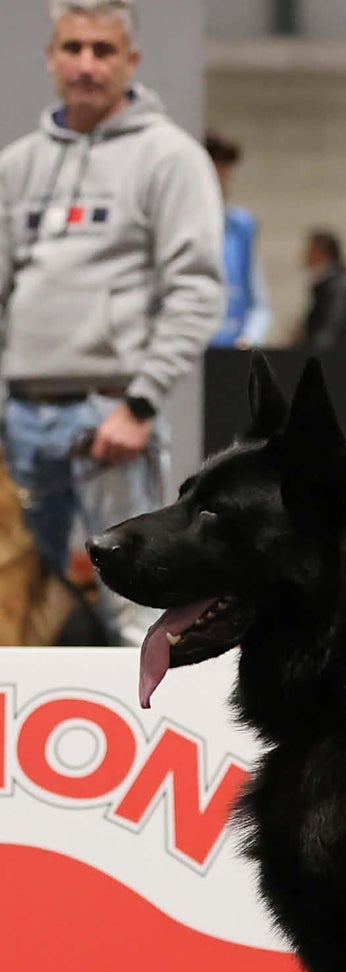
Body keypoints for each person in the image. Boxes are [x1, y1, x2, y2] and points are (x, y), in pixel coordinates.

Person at [0, 0, 224, 645]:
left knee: (139, 609)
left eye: (103, 50)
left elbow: (197, 289)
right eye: (72, 48)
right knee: (14, 606)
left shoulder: (171, 159)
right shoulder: (20, 164)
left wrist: (141, 401)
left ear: (131, 61)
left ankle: (150, 736)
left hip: (111, 420)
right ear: (51, 58)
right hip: (22, 420)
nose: (86, 64)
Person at [204, 130, 273, 350]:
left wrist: (250, 338)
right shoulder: (176, 226)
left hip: (232, 354)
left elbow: (259, 303)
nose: (222, 182)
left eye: (225, 174)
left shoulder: (242, 227)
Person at [295, 229, 346, 356]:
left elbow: (331, 326)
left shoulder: (337, 286)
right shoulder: (326, 283)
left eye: (309, 250)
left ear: (320, 252)